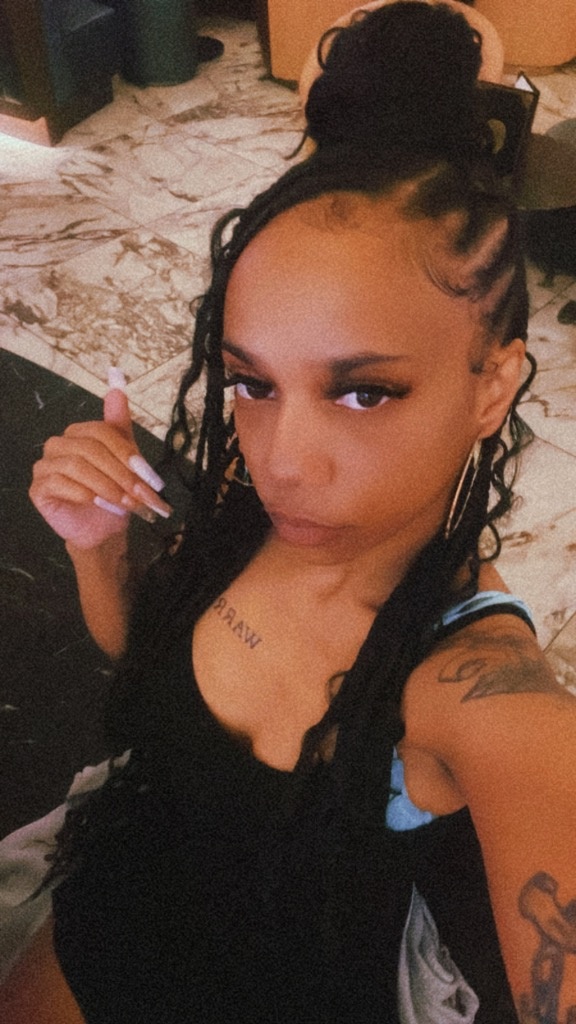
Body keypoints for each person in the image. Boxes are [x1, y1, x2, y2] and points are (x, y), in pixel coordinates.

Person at [2, 4, 576, 1023]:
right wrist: (99, 550)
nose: (283, 461)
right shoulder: (243, 511)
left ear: (492, 385)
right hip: (99, 925)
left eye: (364, 391)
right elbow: (154, 669)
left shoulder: (479, 692)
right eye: (252, 383)